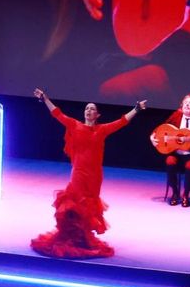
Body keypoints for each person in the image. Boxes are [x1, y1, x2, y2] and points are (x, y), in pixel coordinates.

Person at [29, 89, 144, 259]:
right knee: (75, 204)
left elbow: (121, 122)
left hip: (95, 175)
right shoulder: (75, 125)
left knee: (90, 206)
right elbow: (57, 114)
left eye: (92, 109)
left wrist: (137, 109)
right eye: (86, 109)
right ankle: (72, 237)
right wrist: (45, 99)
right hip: (79, 173)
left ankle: (83, 237)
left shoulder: (102, 129)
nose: (89, 111)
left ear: (97, 115)